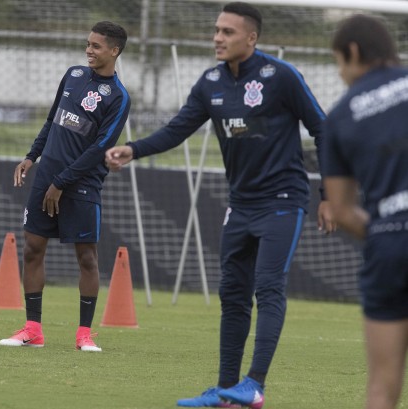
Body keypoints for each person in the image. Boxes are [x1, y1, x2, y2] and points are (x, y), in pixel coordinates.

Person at [106, 2, 334, 407]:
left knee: (268, 288)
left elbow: (324, 130)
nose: (217, 37)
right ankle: (227, 391)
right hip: (240, 205)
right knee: (232, 294)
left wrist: (329, 195)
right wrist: (133, 149)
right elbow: (178, 129)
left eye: (228, 32)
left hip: (283, 201)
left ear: (252, 37)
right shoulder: (210, 81)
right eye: (216, 30)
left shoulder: (280, 77)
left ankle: (255, 384)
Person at [0, 21, 130, 352]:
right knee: (32, 248)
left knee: (86, 257)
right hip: (47, 177)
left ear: (114, 51)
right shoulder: (72, 75)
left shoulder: (118, 97)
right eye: (88, 43)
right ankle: (32, 329)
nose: (89, 50)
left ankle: (84, 334)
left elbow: (100, 148)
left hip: (82, 184)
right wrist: (32, 157)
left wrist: (62, 181)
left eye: (97, 46)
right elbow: (52, 119)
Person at [322, 15, 408, 409]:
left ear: (353, 53)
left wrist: (387, 232)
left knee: (381, 386)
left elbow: (340, 208)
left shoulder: (340, 116)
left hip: (388, 245)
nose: (340, 74)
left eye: (339, 63)